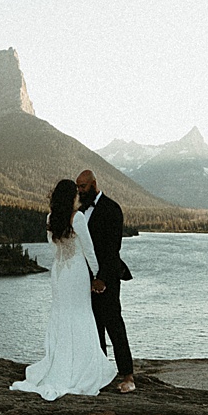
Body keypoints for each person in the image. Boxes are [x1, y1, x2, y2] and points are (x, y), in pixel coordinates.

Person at [10, 179, 120, 400]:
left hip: (59, 273)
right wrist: (98, 276)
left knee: (61, 314)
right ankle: (81, 367)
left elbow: (54, 247)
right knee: (80, 315)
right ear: (71, 196)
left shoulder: (51, 218)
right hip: (76, 273)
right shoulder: (77, 218)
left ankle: (58, 363)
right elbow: (88, 250)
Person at [76, 168, 135, 393]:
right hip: (83, 278)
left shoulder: (112, 209)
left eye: (83, 186)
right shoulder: (80, 210)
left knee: (113, 324)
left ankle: (128, 375)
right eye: (77, 187)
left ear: (93, 184)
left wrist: (101, 279)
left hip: (107, 279)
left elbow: (112, 250)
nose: (79, 191)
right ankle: (100, 372)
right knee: (93, 327)